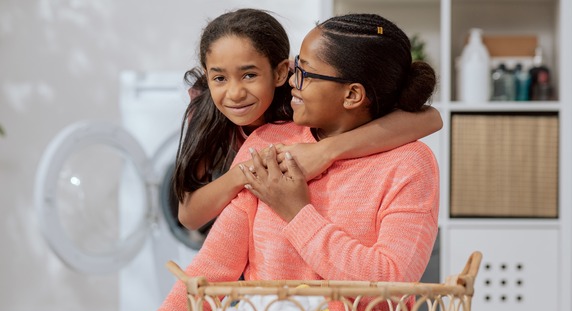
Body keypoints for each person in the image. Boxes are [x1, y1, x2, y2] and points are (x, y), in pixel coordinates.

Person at [91, 11, 508, 311]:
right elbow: (211, 267)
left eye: (305, 73)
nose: (291, 81)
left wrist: (297, 213)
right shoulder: (269, 142)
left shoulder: (410, 164)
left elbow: (391, 279)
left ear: (352, 94)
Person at [172, 8, 443, 231]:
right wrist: (246, 172)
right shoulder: (207, 108)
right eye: (219, 77)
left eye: (249, 75)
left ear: (279, 73)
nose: (234, 93)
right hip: (236, 224)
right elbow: (189, 215)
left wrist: (324, 151)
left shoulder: (299, 93)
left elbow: (429, 119)